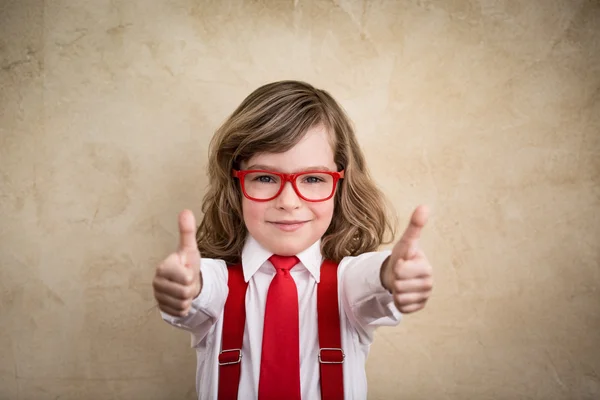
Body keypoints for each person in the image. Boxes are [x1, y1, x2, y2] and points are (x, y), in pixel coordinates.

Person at [152, 80, 433, 400]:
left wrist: (393, 276)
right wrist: (183, 287)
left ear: (340, 184)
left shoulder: (347, 284)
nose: (288, 201)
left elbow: (374, 280)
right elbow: (197, 292)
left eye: (313, 178)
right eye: (265, 177)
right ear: (236, 183)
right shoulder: (216, 285)